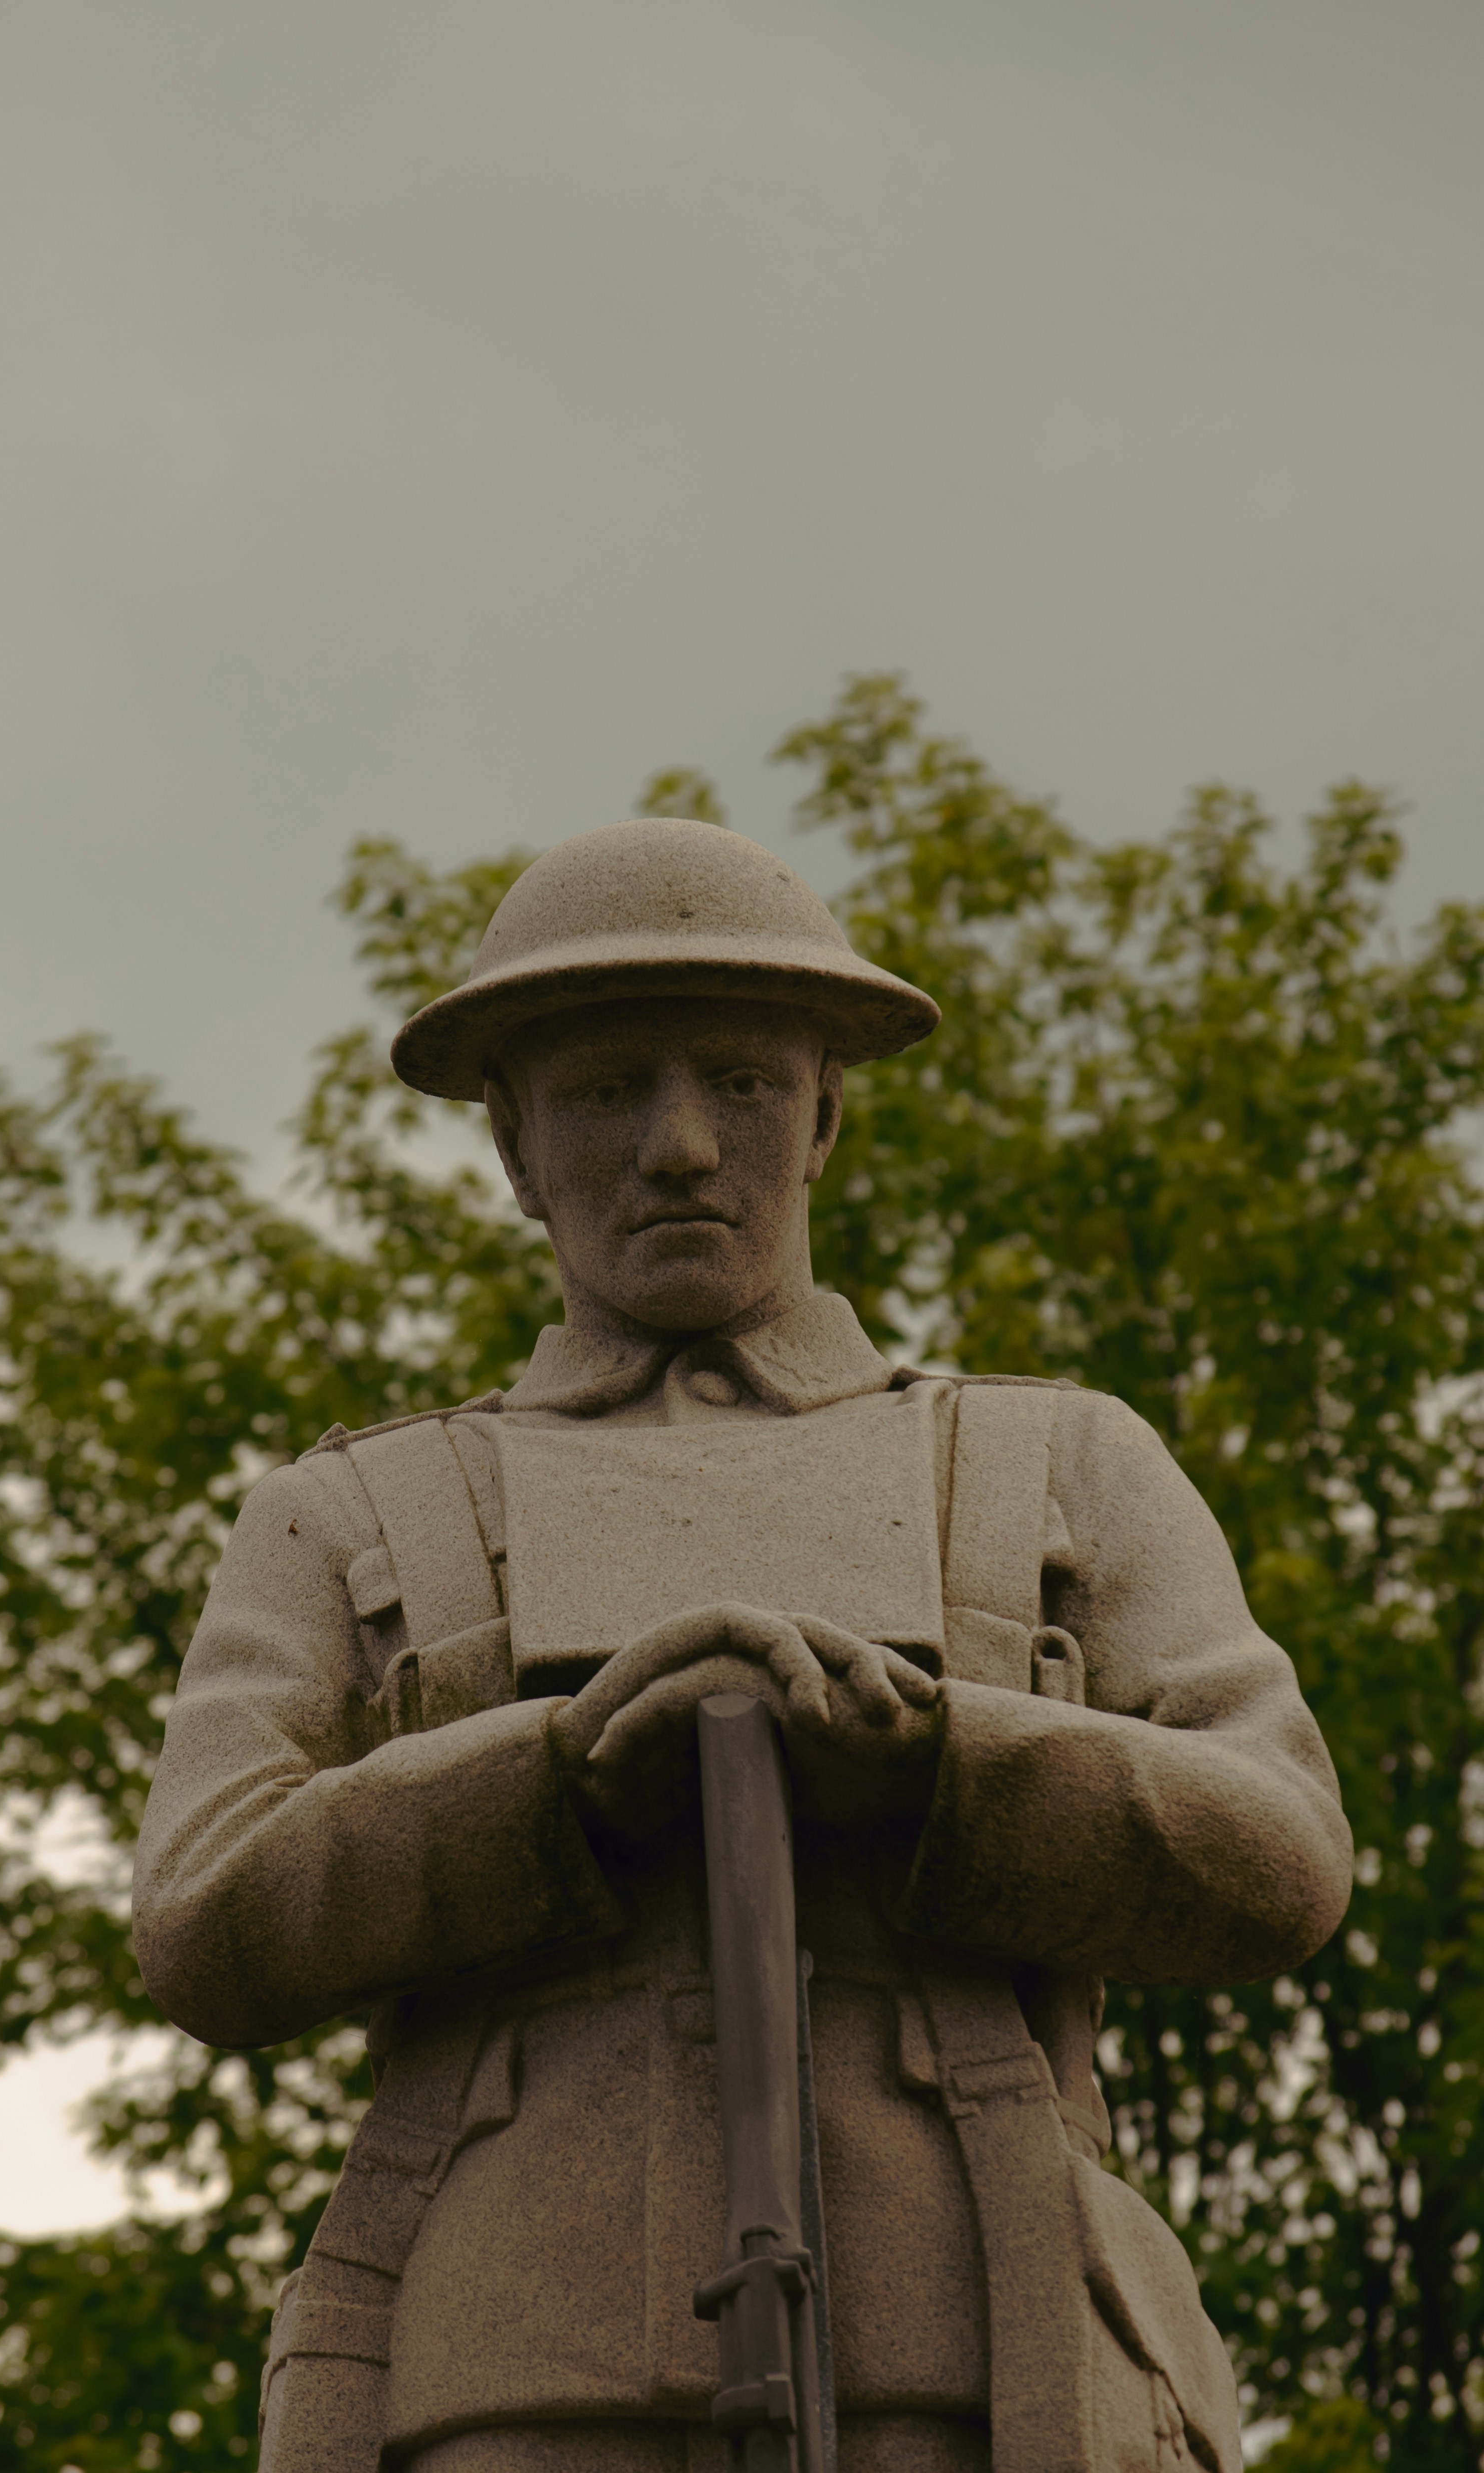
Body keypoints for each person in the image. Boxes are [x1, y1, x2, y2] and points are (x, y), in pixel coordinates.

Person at [132, 819, 1353, 2473]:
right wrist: (548, 1784)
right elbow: (203, 1916)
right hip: (500, 2380)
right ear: (513, 1144)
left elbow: (1280, 1854)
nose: (684, 1145)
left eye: (744, 1081)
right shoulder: (356, 1516)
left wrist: (939, 1765)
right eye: (608, 1088)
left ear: (828, 1112)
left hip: (992, 2374)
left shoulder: (1054, 1468)